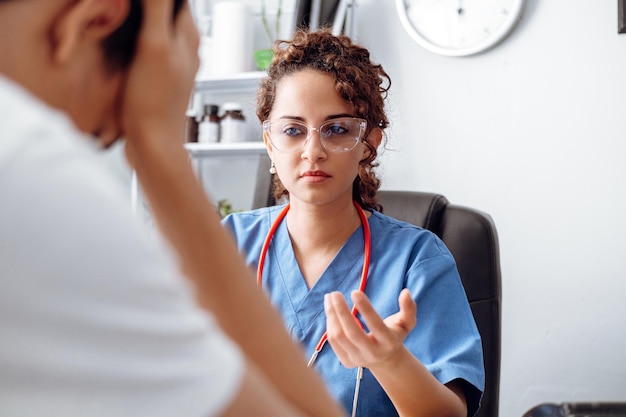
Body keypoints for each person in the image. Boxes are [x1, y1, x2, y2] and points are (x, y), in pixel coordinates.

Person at [0, 1, 347, 416]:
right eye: (102, 129)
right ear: (96, 17)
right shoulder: (30, 172)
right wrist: (159, 147)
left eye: (337, 129)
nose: (313, 152)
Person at [221, 28, 485, 417]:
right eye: (293, 131)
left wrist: (389, 361)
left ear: (369, 144)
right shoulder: (227, 243)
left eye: (337, 129)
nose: (313, 152)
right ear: (269, 144)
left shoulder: (416, 260)